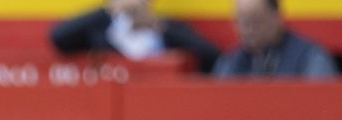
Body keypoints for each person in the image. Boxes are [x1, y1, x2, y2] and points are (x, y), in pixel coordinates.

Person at [49, 0, 220, 73]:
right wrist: (109, 9)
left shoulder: (167, 27)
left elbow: (212, 58)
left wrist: (158, 27)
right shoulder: (100, 29)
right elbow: (58, 37)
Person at [213, 0, 337, 78]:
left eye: (255, 21)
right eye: (241, 22)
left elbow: (321, 101)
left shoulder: (310, 56)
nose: (247, 29)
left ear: (276, 17)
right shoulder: (229, 61)